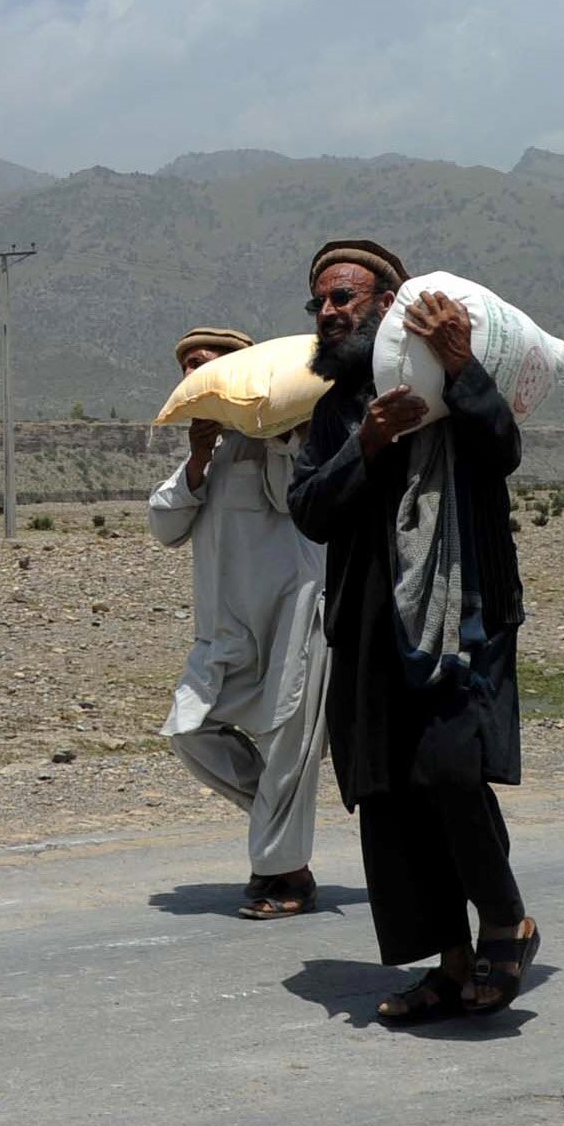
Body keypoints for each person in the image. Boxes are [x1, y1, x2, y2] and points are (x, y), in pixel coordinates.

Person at [289, 241, 540, 1024]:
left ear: (390, 304)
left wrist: (461, 368)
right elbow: (310, 511)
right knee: (388, 790)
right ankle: (449, 963)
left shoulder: (451, 382)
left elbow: (501, 449)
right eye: (320, 303)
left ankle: (506, 920)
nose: (330, 313)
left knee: (448, 767)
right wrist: (363, 444)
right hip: (367, 622)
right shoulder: (332, 412)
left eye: (345, 298)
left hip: (461, 614)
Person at [150, 327, 328, 918]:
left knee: (286, 749)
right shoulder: (206, 457)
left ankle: (284, 876)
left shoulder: (282, 443)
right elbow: (165, 526)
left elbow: (292, 499)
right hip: (223, 631)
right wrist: (199, 457)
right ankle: (281, 837)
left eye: (207, 363)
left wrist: (277, 434)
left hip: (291, 622)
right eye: (187, 366)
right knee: (189, 731)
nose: (194, 372)